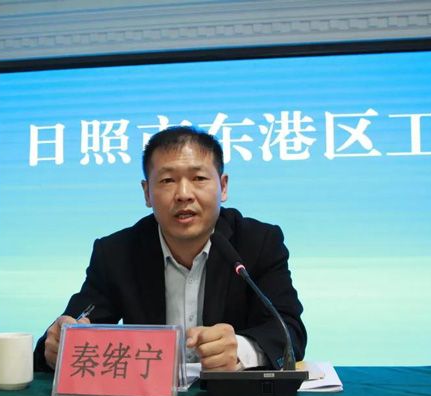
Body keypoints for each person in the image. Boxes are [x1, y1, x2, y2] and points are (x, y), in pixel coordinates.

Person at [34, 126, 306, 372]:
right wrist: (57, 345)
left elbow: (290, 332)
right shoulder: (116, 253)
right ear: (146, 193)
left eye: (199, 178)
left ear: (223, 187)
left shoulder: (258, 242)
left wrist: (242, 350)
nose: (184, 194)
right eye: (167, 180)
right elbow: (70, 329)